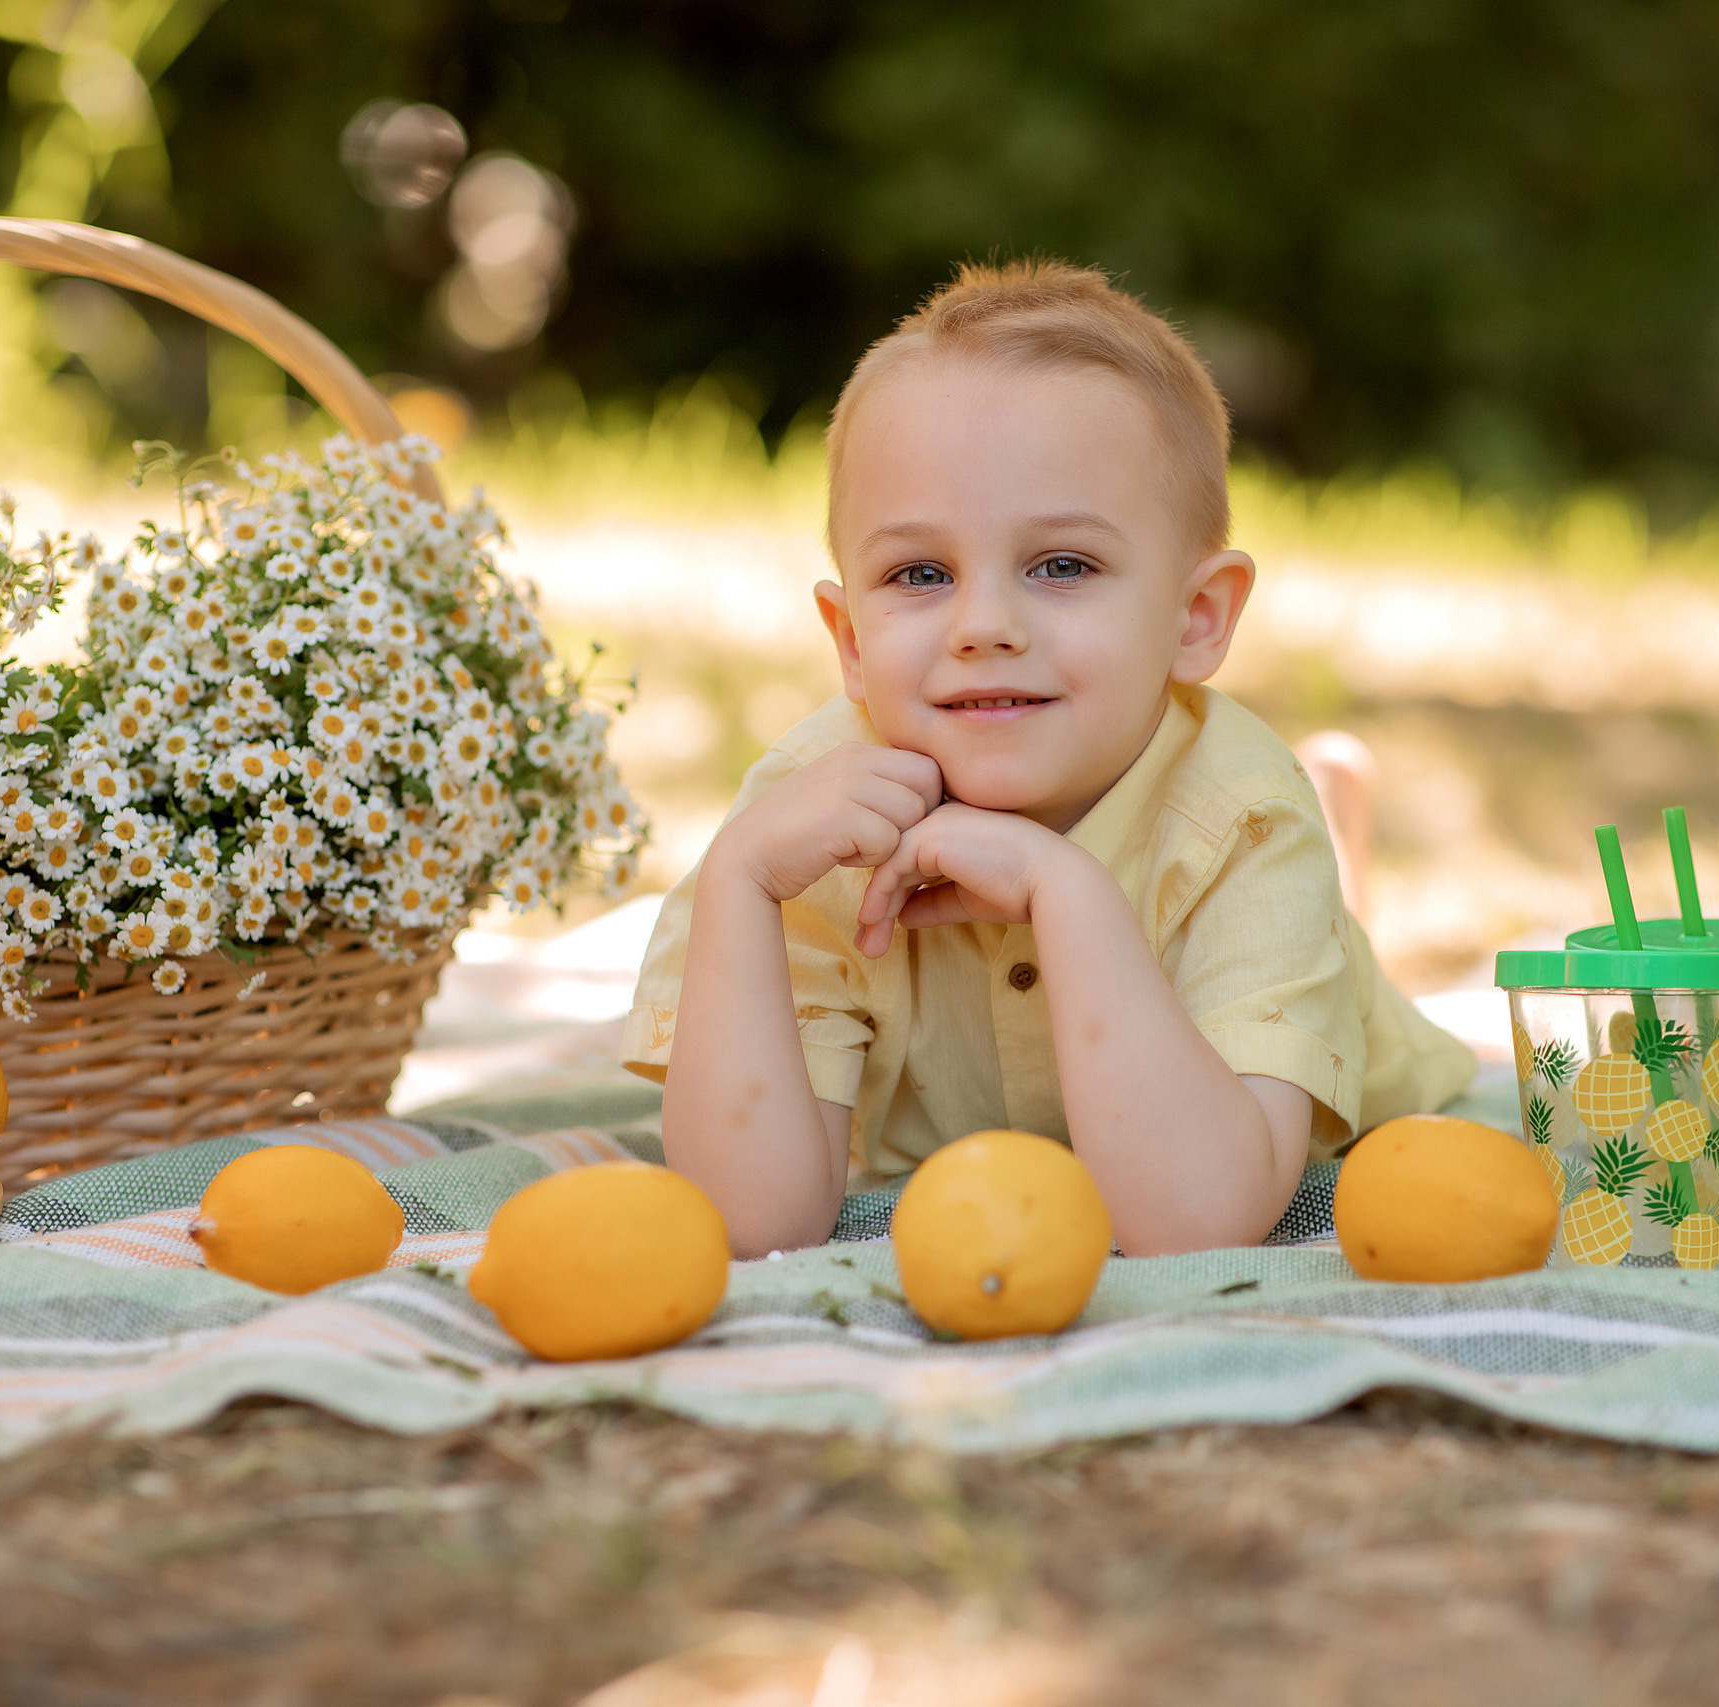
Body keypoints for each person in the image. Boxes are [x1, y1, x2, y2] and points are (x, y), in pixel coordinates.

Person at [623, 260, 1473, 1258]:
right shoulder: (806, 829)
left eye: (1062, 565)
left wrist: (1062, 888)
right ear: (849, 641)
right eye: (919, 573)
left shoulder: (1243, 818)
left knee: (1299, 895)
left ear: (1195, 620)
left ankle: (1334, 824)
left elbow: (1194, 1223)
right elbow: (750, 1223)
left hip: (1277, 1025)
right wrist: (736, 881)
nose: (983, 625)